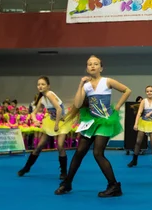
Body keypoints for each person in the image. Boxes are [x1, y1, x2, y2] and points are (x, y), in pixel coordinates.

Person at [55, 55, 131, 197]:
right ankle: (67, 183)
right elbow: (77, 104)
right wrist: (80, 85)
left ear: (101, 68)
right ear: (87, 68)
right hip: (91, 121)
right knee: (79, 152)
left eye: (95, 64)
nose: (92, 66)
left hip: (106, 121)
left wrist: (119, 105)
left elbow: (127, 90)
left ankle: (114, 186)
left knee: (97, 153)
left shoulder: (107, 81)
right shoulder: (86, 86)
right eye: (89, 64)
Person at [17, 76, 71, 180]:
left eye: (43, 84)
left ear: (48, 86)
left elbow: (59, 109)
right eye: (38, 84)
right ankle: (26, 167)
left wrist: (56, 125)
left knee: (60, 146)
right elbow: (33, 113)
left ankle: (64, 172)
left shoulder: (50, 94)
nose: (40, 86)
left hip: (62, 122)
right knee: (39, 146)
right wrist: (35, 120)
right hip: (51, 122)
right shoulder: (42, 98)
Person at [128, 85, 152, 168]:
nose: (149, 92)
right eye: (147, 91)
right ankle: (134, 160)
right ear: (145, 92)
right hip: (143, 122)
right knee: (138, 142)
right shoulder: (143, 101)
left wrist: (150, 113)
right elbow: (139, 112)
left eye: (151, 91)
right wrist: (136, 124)